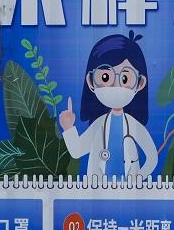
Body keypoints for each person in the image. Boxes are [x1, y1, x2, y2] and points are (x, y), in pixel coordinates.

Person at [60, 31, 158, 179]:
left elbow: (152, 158)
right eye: (105, 77)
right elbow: (77, 150)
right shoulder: (98, 125)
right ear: (91, 81)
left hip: (129, 189)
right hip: (98, 186)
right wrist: (68, 128)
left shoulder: (135, 126)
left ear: (140, 83)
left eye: (125, 79)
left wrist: (138, 178)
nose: (115, 87)